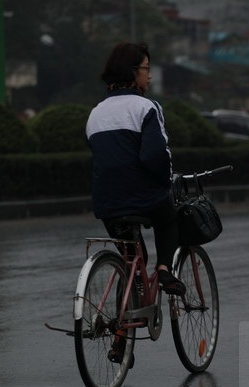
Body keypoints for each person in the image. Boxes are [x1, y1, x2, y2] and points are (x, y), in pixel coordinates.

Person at [86, 42, 186, 298]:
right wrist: (166, 181)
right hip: (143, 198)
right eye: (146, 69)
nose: (149, 75)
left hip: (107, 203)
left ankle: (127, 315)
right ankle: (164, 270)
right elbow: (155, 155)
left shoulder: (95, 113)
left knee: (132, 258)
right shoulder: (145, 107)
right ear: (133, 72)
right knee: (169, 218)